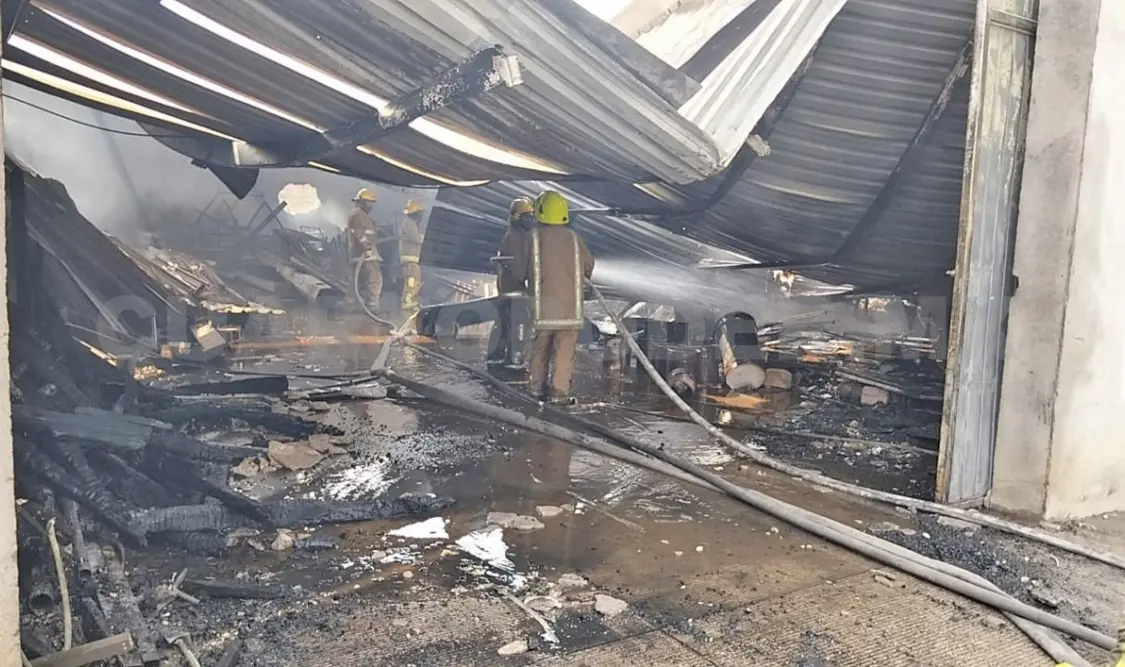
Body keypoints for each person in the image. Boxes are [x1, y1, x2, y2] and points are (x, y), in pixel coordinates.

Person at [511, 190, 594, 404]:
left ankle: (536, 390)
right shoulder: (575, 239)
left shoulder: (533, 237)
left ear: (540, 212)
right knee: (565, 352)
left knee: (540, 348)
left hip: (543, 308)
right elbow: (588, 266)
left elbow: (519, 271)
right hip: (570, 310)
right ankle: (559, 393)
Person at [487, 196, 535, 365]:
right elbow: (519, 268)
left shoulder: (517, 234)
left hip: (509, 287)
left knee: (504, 322)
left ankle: (496, 355)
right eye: (527, 217)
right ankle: (514, 359)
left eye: (531, 216)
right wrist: (531, 283)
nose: (530, 220)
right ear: (516, 218)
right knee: (518, 323)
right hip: (514, 288)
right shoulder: (517, 238)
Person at [346, 188, 382, 314]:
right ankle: (372, 308)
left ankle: (355, 306)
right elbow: (361, 235)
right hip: (366, 256)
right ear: (361, 201)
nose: (371, 205)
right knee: (375, 281)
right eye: (369, 202)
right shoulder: (359, 214)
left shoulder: (357, 214)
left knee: (360, 283)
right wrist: (367, 250)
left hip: (359, 255)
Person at [399, 199, 426, 330]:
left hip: (413, 259)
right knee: (411, 282)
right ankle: (408, 306)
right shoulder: (409, 223)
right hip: (410, 259)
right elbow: (416, 239)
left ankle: (411, 304)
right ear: (415, 213)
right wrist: (424, 237)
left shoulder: (411, 223)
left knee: (414, 282)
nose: (421, 215)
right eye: (420, 212)